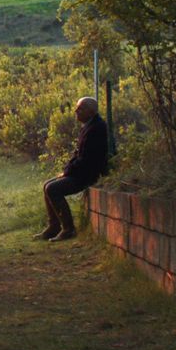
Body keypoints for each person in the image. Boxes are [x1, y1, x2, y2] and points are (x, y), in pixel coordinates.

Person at [34, 96, 110, 242]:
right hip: (81, 172)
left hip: (88, 174)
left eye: (80, 109)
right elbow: (78, 154)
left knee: (52, 188)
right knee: (47, 185)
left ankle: (68, 229)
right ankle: (54, 227)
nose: (76, 111)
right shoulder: (89, 126)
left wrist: (67, 172)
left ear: (91, 111)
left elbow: (86, 159)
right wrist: (66, 171)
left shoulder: (96, 128)